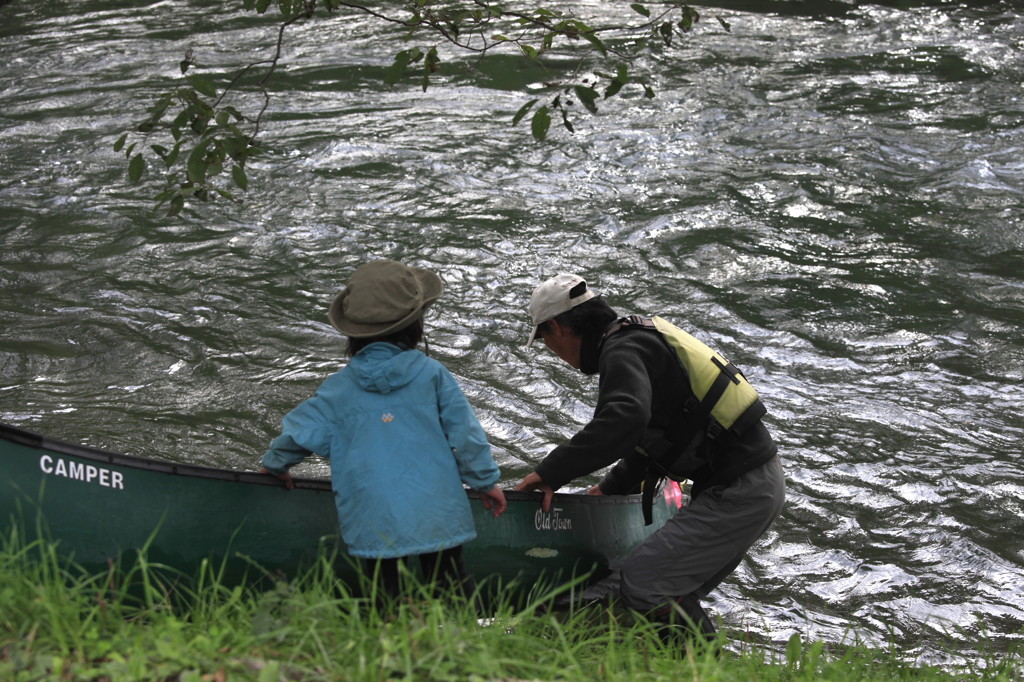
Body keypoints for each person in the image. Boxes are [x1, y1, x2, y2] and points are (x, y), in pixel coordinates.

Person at [515, 272, 785, 648]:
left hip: (740, 489)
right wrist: (607, 490)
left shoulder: (622, 350)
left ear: (556, 328)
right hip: (752, 483)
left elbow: (624, 420)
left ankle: (708, 670)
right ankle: (674, 664)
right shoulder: (637, 339)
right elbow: (660, 439)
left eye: (544, 341)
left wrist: (548, 474)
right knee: (657, 583)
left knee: (646, 580)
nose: (554, 354)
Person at [260, 259, 507, 606]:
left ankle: (386, 645)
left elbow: (298, 433)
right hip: (436, 512)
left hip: (371, 515)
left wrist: (275, 464)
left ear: (352, 333)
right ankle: (466, 646)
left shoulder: (337, 389)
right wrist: (485, 482)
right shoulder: (432, 374)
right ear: (416, 326)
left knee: (382, 593)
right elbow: (466, 435)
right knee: (451, 583)